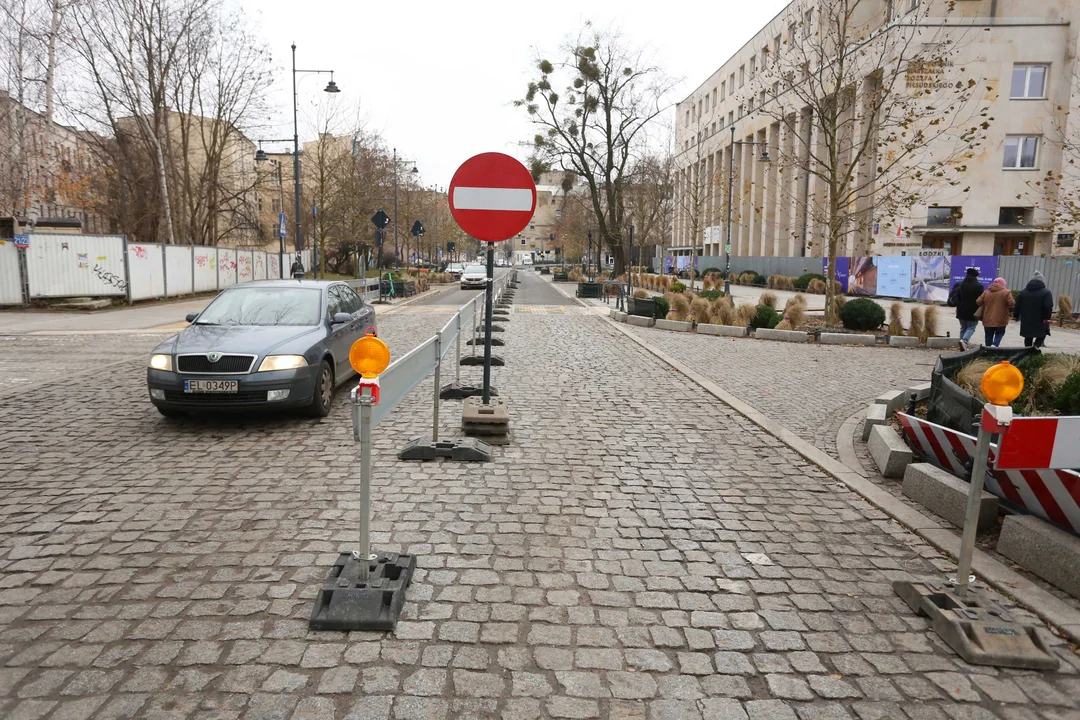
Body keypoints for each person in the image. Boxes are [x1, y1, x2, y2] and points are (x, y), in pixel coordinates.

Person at [1015, 270, 1053, 348]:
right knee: (1042, 334)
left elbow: (1017, 305)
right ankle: (1035, 347)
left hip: (1026, 318)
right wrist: (1047, 317)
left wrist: (1016, 315)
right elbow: (1048, 306)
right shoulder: (1046, 292)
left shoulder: (1023, 292)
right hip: (1041, 318)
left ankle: (1027, 351)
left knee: (1028, 336)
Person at [950, 267, 984, 349]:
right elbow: (980, 299)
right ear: (976, 276)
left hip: (961, 310)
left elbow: (958, 298)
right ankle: (964, 341)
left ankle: (962, 344)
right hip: (973, 310)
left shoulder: (960, 284)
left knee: (963, 327)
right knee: (971, 327)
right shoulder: (979, 286)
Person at [976, 276, 1014, 347]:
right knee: (1000, 333)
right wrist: (1011, 312)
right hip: (1001, 318)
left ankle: (988, 349)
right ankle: (995, 345)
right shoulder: (1006, 292)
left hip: (987, 318)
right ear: (1002, 284)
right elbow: (1011, 303)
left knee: (988, 335)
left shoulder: (986, 292)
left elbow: (978, 302)